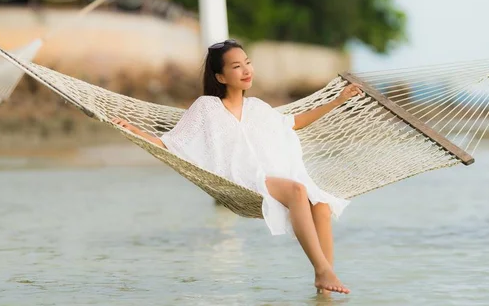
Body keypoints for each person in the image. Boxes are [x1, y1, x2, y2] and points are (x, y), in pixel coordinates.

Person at [113, 39, 363, 294]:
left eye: (248, 63)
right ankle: (322, 271)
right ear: (220, 77)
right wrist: (135, 131)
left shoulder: (257, 108)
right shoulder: (206, 107)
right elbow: (172, 144)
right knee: (298, 192)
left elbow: (293, 123)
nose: (246, 70)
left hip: (269, 175)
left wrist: (337, 101)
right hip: (239, 178)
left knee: (320, 204)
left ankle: (325, 290)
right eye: (236, 66)